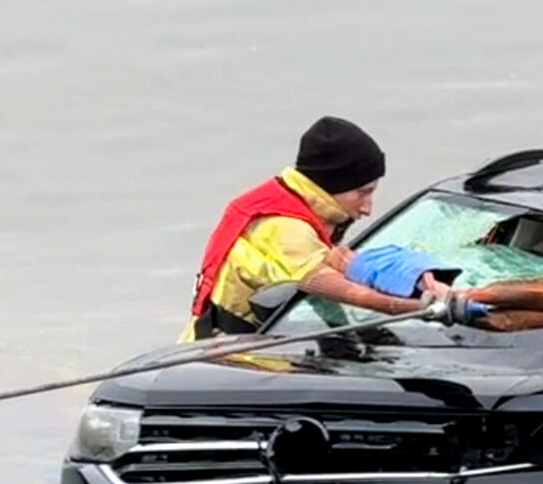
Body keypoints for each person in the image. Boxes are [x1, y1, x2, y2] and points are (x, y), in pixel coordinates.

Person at [186, 116, 453, 338]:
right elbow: (324, 283)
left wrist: (418, 278)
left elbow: (337, 264)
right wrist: (416, 307)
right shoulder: (285, 228)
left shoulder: (293, 201)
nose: (367, 209)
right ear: (332, 184)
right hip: (228, 358)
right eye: (362, 192)